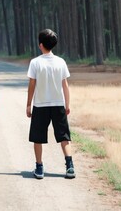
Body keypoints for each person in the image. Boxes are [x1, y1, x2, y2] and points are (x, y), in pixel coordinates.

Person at [26, 28, 75, 179]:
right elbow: (65, 85)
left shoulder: (35, 63)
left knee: (37, 137)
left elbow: (32, 85)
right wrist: (67, 104)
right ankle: (70, 166)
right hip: (58, 104)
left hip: (40, 105)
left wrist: (28, 104)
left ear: (40, 45)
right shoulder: (60, 62)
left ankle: (39, 167)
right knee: (64, 136)